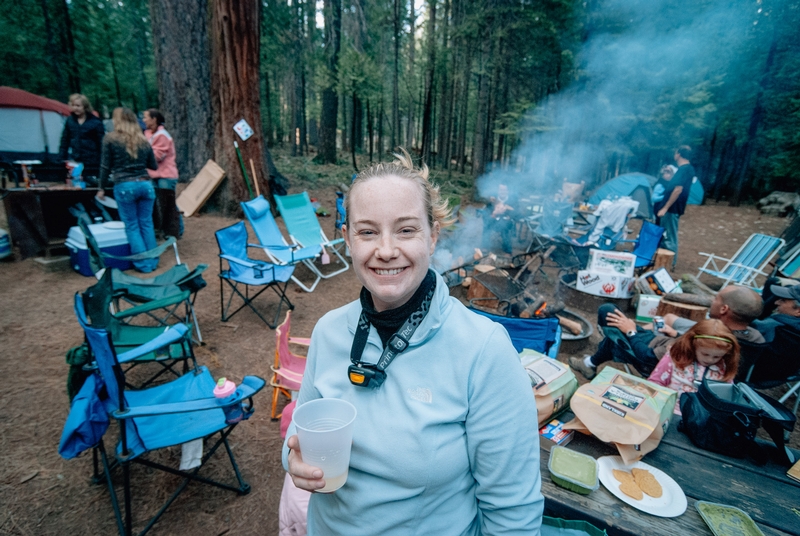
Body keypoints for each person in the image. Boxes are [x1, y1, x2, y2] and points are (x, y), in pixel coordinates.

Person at [282, 150, 544, 535]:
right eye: (367, 231)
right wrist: (295, 464)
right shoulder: (328, 331)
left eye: (406, 230)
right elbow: (297, 439)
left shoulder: (483, 350)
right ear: (348, 240)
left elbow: (512, 513)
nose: (386, 250)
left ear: (434, 236)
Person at [569, 285, 763, 380]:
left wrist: (630, 332)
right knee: (621, 325)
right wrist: (675, 335)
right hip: (662, 343)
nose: (712, 301)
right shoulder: (754, 339)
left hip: (650, 357)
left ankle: (590, 363)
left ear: (724, 310)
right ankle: (591, 362)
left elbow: (647, 357)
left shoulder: (707, 340)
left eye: (716, 299)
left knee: (610, 318)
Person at [96, 107, 159, 273]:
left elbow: (105, 166)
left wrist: (101, 188)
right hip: (146, 185)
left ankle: (143, 265)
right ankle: (153, 261)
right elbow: (153, 165)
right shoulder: (143, 140)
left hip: (124, 186)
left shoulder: (110, 139)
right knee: (146, 223)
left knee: (132, 226)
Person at [647, 319, 739, 414]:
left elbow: (727, 394)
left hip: (703, 417)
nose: (710, 360)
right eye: (705, 354)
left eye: (717, 356)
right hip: (671, 410)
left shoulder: (723, 366)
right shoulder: (676, 357)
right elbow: (655, 383)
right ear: (693, 345)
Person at [143, 109, 183, 236]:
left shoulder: (162, 135)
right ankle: (163, 229)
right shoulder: (148, 133)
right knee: (159, 204)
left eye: (146, 117)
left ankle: (176, 231)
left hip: (166, 175)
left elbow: (157, 156)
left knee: (168, 205)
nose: (144, 120)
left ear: (154, 119)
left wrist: (140, 155)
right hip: (154, 174)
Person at [654, 146, 695, 267]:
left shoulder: (685, 169)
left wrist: (665, 207)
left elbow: (678, 190)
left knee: (669, 237)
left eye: (675, 152)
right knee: (665, 235)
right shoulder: (684, 169)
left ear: (679, 154)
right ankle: (662, 263)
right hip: (671, 209)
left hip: (672, 209)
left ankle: (670, 264)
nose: (674, 154)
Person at [58, 94, 105, 179]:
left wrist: (103, 160)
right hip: (76, 159)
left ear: (85, 106)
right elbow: (65, 140)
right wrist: (61, 158)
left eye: (78, 106)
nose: (76, 108)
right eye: (73, 105)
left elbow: (101, 143)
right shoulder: (70, 121)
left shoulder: (96, 122)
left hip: (92, 160)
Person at [482, 183, 517, 254]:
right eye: (501, 190)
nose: (502, 192)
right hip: (493, 221)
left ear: (508, 191)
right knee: (486, 225)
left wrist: (509, 216)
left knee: (504, 226)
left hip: (506, 223)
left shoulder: (512, 201)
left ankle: (507, 250)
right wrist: (495, 213)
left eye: (504, 190)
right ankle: (485, 246)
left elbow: (517, 213)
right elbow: (486, 212)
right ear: (498, 191)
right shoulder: (492, 200)